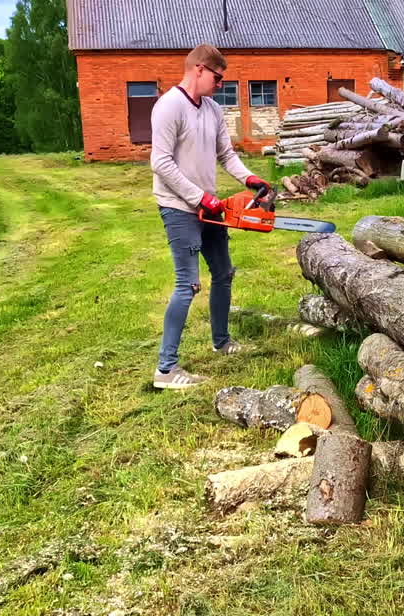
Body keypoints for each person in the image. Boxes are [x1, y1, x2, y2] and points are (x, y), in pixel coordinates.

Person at [149, 43, 271, 390]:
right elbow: (160, 163)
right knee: (187, 284)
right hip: (179, 208)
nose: (220, 85)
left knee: (224, 272)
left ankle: (221, 342)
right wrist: (197, 197)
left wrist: (250, 179)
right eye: (218, 78)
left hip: (210, 207)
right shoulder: (169, 106)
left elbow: (226, 155)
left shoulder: (214, 110)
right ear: (199, 69)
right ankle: (166, 370)